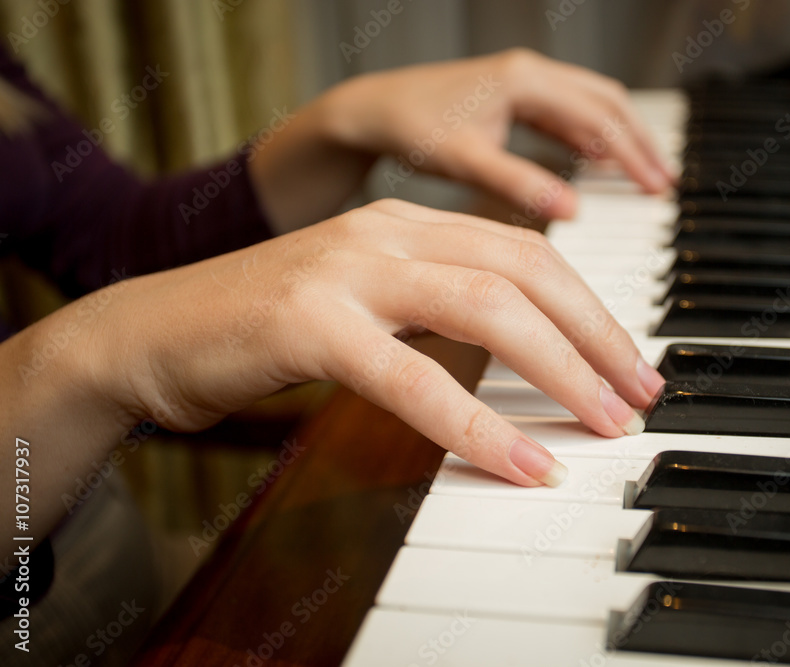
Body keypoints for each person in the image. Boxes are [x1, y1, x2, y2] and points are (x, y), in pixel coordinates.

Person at [1, 47, 669, 555]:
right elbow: (112, 308)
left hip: (88, 530)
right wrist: (97, 349)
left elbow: (107, 241)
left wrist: (346, 119)